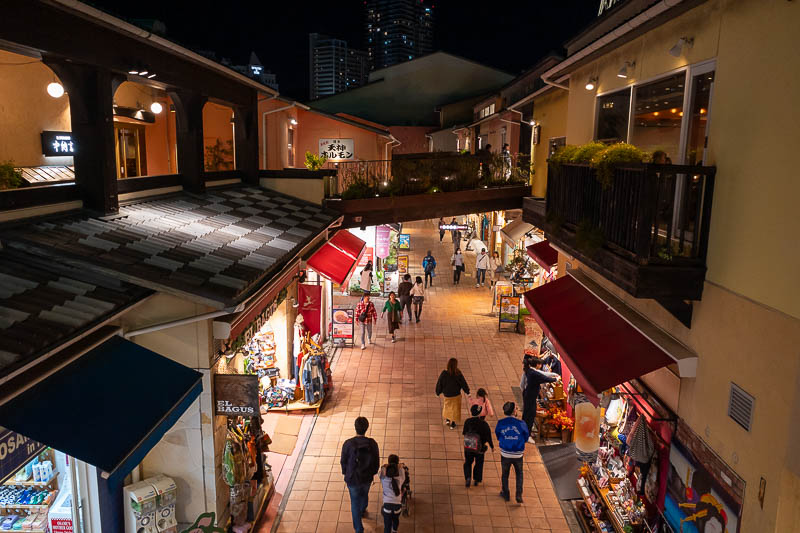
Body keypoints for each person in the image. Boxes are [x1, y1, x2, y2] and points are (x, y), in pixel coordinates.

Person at [341, 417, 380, 533]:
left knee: (354, 502)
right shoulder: (372, 444)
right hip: (367, 477)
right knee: (364, 493)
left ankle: (359, 529)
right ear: (366, 428)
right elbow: (376, 462)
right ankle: (363, 509)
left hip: (353, 479)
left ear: (355, 427)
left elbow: (343, 461)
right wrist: (372, 473)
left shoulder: (348, 444)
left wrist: (346, 473)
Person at [495, 402, 529, 503]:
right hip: (518, 453)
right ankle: (518, 494)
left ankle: (506, 494)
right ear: (514, 411)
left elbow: (498, 435)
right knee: (519, 473)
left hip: (505, 452)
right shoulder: (521, 424)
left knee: (505, 474)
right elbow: (526, 437)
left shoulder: (501, 423)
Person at [521, 357, 559, 443]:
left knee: (526, 415)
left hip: (527, 395)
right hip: (530, 397)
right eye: (540, 364)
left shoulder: (529, 370)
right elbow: (545, 378)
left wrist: (553, 374)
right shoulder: (534, 373)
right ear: (537, 365)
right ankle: (527, 436)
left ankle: (524, 432)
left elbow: (543, 374)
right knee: (530, 416)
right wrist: (555, 379)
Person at [463, 404, 494, 487]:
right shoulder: (484, 424)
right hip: (480, 448)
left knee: (468, 462)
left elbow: (464, 433)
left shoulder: (467, 421)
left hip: (469, 446)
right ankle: (476, 479)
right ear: (480, 413)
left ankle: (468, 477)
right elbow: (488, 436)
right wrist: (492, 446)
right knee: (479, 463)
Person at [435, 357, 470, 430]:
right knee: (455, 409)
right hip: (456, 394)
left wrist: (438, 392)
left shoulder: (444, 373)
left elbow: (440, 383)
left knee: (447, 407)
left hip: (447, 394)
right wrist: (467, 392)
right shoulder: (458, 373)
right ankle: (453, 423)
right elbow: (463, 383)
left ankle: (447, 419)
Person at [379, 454, 406, 533]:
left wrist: (385, 466)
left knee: (387, 525)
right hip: (397, 506)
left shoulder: (383, 478)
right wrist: (399, 466)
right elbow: (402, 471)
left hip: (387, 506)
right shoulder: (400, 478)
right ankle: (394, 530)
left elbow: (380, 472)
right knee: (395, 519)